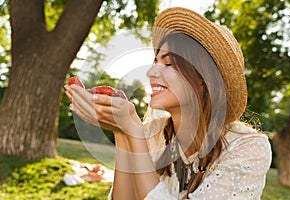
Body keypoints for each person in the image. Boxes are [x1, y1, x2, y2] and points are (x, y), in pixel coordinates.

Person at [65, 7, 272, 200]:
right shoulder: (153, 134)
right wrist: (122, 132)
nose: (151, 72)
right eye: (155, 61)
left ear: (203, 78)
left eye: (168, 63)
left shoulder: (248, 147)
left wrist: (134, 133)